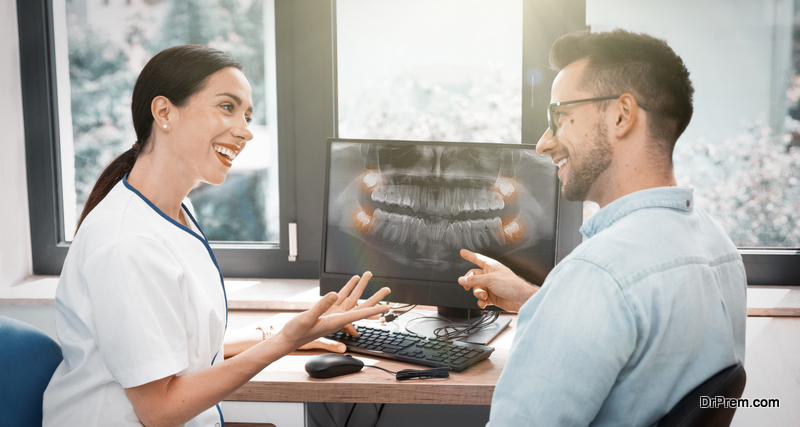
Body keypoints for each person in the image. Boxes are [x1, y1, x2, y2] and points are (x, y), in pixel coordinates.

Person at [42, 45, 390, 427]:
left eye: (247, 115)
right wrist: (283, 342)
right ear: (164, 113)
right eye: (227, 107)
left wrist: (278, 331)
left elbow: (175, 350)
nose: (245, 131)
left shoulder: (174, 212)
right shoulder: (127, 242)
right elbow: (160, 409)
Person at [458, 30, 747, 425]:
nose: (544, 144)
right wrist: (540, 301)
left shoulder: (599, 274)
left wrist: (568, 295)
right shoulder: (719, 247)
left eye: (559, 117)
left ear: (621, 116)